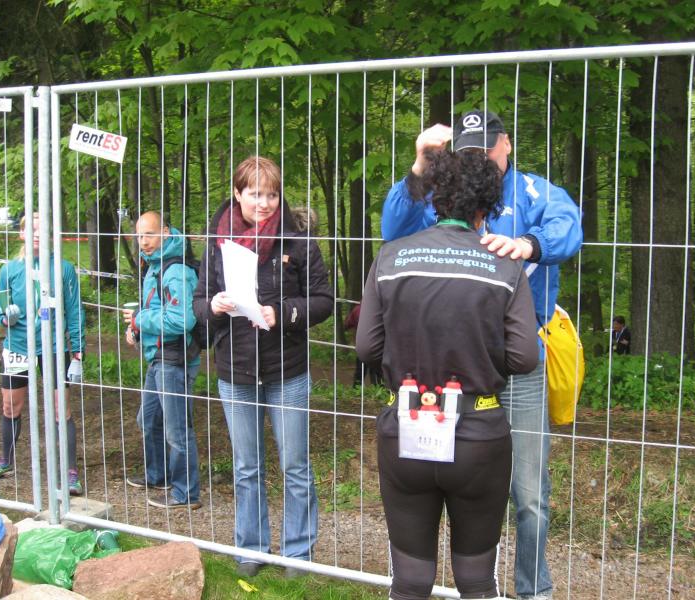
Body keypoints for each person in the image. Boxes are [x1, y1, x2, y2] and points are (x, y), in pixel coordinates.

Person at [381, 110, 583, 599]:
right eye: (469, 149)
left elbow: (569, 228)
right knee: (441, 475)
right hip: (459, 369)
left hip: (521, 359)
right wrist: (418, 165)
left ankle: (532, 590)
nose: (480, 156)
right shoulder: (443, 192)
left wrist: (527, 245)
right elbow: (393, 229)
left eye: (487, 146)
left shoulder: (535, 192)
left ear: (506, 143)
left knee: (529, 492)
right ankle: (440, 578)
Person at [358, 149, 538, 600]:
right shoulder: (505, 265)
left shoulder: (391, 257)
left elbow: (367, 348)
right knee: (477, 580)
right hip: (478, 434)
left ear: (434, 195)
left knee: (410, 580)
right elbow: (524, 357)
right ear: (488, 205)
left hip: (405, 427)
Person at [193, 156, 333, 577]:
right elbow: (199, 303)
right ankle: (251, 550)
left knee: (295, 466)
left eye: (271, 195)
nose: (264, 203)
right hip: (235, 370)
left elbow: (323, 300)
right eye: (255, 194)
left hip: (287, 371)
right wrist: (214, 306)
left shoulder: (297, 240)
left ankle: (297, 555)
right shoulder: (218, 241)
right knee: (246, 467)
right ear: (237, 194)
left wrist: (283, 312)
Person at [0, 213, 85, 496]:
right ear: (21, 234)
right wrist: (7, 318)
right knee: (9, 406)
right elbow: (0, 310)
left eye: (43, 229)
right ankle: (5, 461)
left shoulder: (63, 268)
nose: (37, 234)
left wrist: (78, 353)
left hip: (54, 347)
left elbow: (75, 311)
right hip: (17, 347)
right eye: (32, 229)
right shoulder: (9, 270)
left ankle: (70, 472)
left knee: (61, 408)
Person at [122, 211, 201, 510]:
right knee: (148, 419)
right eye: (140, 236)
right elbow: (156, 310)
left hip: (175, 359)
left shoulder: (176, 270)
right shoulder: (155, 265)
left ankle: (186, 493)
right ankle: (158, 476)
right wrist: (137, 329)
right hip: (158, 357)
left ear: (166, 232)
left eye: (150, 234)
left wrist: (140, 319)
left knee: (177, 430)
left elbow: (182, 320)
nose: (143, 241)